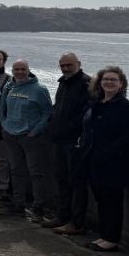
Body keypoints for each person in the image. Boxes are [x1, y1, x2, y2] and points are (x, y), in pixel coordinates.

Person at [80, 66, 129, 252]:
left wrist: (107, 153)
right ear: (100, 82)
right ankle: (104, 235)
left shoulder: (126, 107)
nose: (109, 82)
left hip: (113, 163)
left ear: (121, 84)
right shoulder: (97, 103)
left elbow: (128, 136)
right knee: (101, 200)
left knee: (112, 201)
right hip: (93, 159)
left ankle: (112, 239)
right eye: (106, 79)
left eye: (114, 80)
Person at [0, 59, 54, 222]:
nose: (20, 72)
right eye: (16, 69)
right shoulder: (9, 87)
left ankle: (38, 207)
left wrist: (35, 131)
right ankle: (19, 204)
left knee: (35, 173)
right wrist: (4, 125)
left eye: (23, 69)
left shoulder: (39, 89)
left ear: (28, 70)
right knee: (15, 171)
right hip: (11, 135)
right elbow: (2, 109)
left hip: (30, 137)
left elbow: (47, 113)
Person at [50, 52, 92, 236]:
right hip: (59, 139)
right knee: (62, 179)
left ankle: (77, 222)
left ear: (78, 64)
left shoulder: (86, 84)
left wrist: (68, 129)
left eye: (69, 65)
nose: (66, 68)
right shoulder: (63, 82)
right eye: (63, 65)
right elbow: (58, 107)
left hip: (74, 142)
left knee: (76, 182)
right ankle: (62, 216)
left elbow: (85, 114)